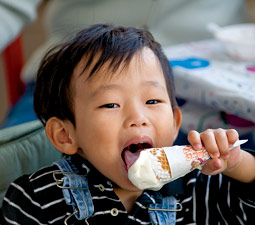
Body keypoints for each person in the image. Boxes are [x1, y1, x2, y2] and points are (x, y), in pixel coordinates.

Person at [1, 24, 255, 225]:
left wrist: (238, 163)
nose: (138, 117)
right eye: (110, 104)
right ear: (66, 135)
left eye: (153, 100)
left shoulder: (200, 186)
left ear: (176, 121)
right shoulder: (36, 198)